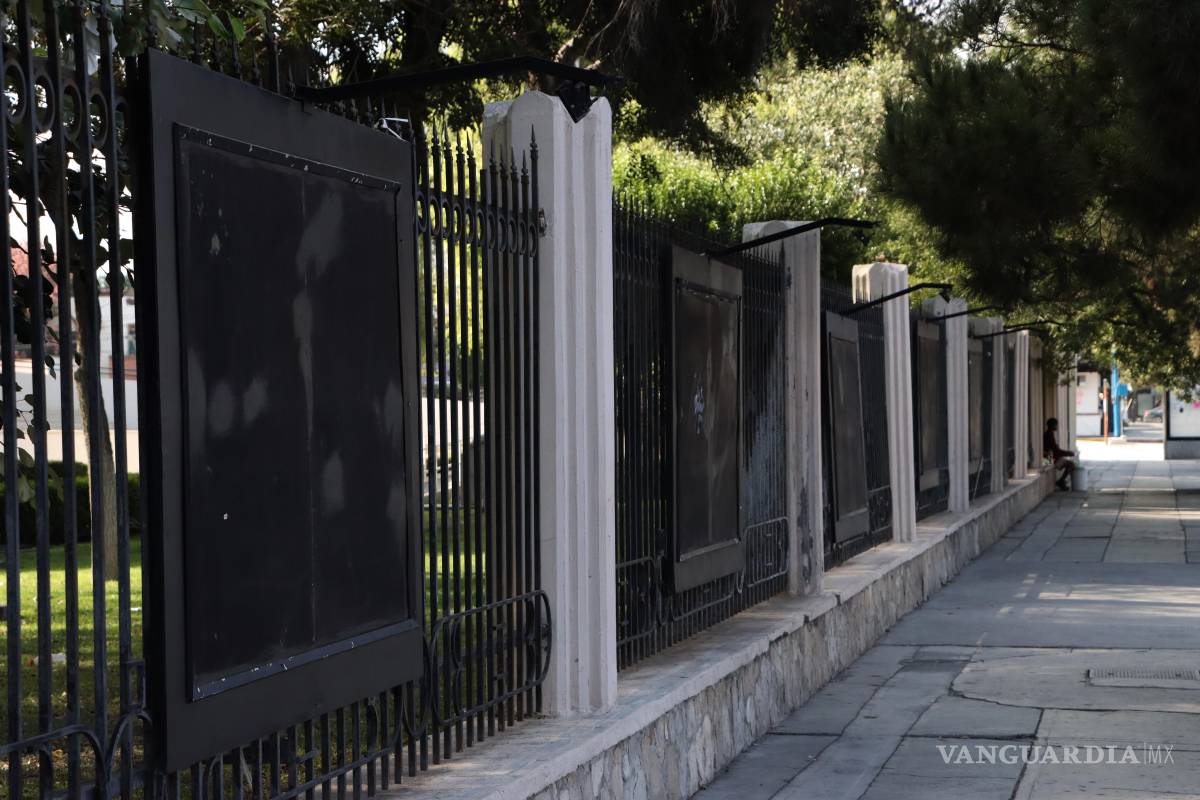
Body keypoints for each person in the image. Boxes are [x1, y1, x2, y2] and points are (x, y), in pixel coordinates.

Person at [1043, 417, 1076, 491]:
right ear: (1052, 425)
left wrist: (1067, 453)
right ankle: (1061, 481)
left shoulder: (1050, 434)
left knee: (1071, 464)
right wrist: (1068, 453)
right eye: (1056, 425)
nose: (1057, 427)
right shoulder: (1048, 435)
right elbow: (1056, 450)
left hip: (1053, 456)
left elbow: (1056, 449)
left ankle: (1061, 481)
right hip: (1050, 459)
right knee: (1071, 465)